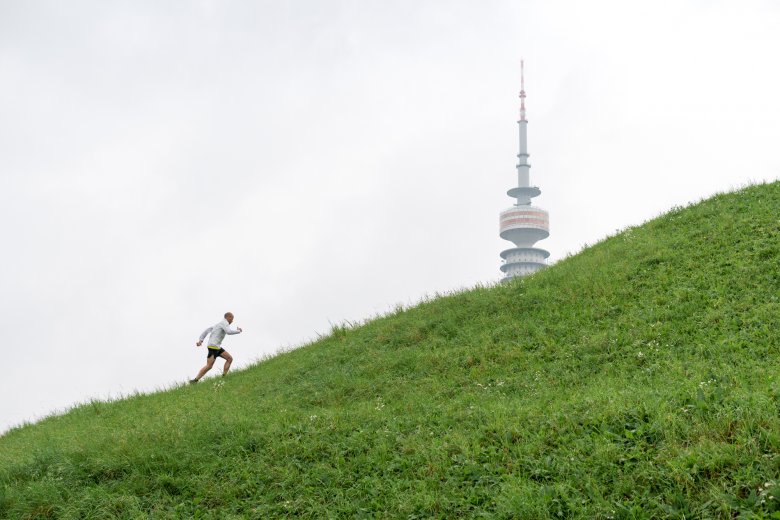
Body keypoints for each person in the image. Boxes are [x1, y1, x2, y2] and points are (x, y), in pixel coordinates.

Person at [190, 312, 243, 383]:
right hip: (213, 347)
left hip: (217, 347)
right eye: (232, 319)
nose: (232, 321)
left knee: (229, 359)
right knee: (209, 366)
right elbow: (228, 332)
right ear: (229, 317)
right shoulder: (224, 323)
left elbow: (207, 330)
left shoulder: (219, 324)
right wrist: (238, 331)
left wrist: (200, 341)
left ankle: (224, 377)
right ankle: (195, 380)